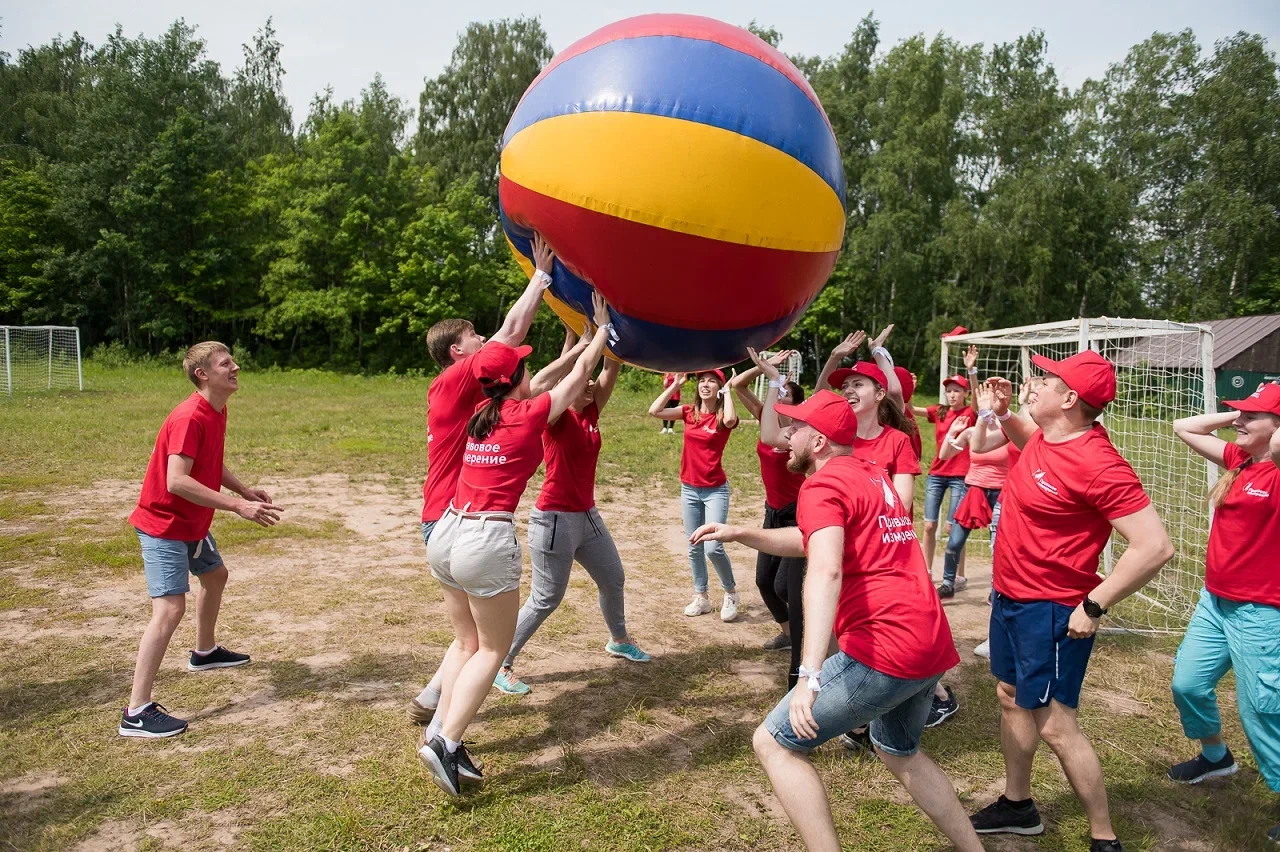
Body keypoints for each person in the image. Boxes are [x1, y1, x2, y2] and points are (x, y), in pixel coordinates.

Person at [689, 390, 983, 852]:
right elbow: (816, 540)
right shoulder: (869, 473)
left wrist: (808, 676)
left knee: (774, 744)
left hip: (885, 650)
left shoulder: (821, 486)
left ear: (820, 441)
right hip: (930, 643)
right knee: (897, 750)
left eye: (796, 427)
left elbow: (825, 569)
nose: (786, 435)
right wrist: (743, 533)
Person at [967, 352, 1174, 852]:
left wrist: (1095, 605)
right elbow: (1034, 453)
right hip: (1011, 598)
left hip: (1053, 610)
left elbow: (1155, 546)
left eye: (1045, 379)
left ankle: (1104, 837)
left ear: (1070, 399)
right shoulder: (1047, 436)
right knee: (1010, 696)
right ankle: (1019, 806)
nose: (1032, 384)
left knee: (1057, 725)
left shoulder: (1099, 463)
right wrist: (998, 411)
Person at [418, 294, 613, 797]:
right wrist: (601, 331)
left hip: (446, 535)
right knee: (491, 648)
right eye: (525, 368)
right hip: (484, 538)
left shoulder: (479, 409)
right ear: (516, 381)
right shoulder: (528, 416)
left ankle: (437, 732)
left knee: (466, 643)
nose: (531, 373)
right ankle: (447, 742)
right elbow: (574, 380)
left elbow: (548, 381)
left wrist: (579, 343)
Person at [407, 233, 564, 724]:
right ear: (458, 350)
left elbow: (528, 388)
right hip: (455, 522)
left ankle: (432, 701)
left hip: (446, 519)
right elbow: (513, 331)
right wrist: (540, 276)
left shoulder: (476, 393)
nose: (485, 339)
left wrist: (576, 350)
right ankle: (444, 725)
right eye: (476, 336)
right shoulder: (457, 379)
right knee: (480, 642)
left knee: (467, 638)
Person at [120, 342, 282, 738]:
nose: (236, 367)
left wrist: (244, 490)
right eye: (226, 364)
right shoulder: (190, 416)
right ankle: (136, 712)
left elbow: (209, 460)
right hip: (164, 526)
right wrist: (235, 506)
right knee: (169, 609)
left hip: (191, 525)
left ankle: (204, 653)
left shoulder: (216, 410)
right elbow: (177, 480)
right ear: (202, 375)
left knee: (215, 576)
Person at [492, 334, 650, 696]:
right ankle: (501, 661)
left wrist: (616, 334)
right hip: (554, 520)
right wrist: (578, 348)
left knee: (613, 578)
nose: (591, 386)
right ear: (570, 387)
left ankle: (619, 639)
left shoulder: (590, 411)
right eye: (584, 382)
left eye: (592, 384)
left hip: (587, 517)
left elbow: (610, 368)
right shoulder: (555, 418)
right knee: (546, 598)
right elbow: (561, 378)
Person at [1168, 382, 1280, 844]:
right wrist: (1237, 417)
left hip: (1263, 611)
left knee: (1261, 709)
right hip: (1215, 601)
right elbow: (1183, 426)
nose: (1239, 421)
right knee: (1188, 684)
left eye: (1251, 416)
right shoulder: (1240, 461)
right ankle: (1216, 757)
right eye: (1240, 414)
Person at [729, 351, 808, 671]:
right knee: (764, 582)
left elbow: (772, 436)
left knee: (785, 587)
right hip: (771, 512)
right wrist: (765, 368)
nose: (780, 391)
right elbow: (737, 385)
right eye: (779, 387)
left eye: (786, 390)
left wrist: (775, 378)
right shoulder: (766, 414)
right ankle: (789, 633)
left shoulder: (799, 431)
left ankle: (813, 633)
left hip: (795, 515)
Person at [649, 367, 741, 621]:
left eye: (712, 381)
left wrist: (728, 391)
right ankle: (701, 597)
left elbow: (732, 419)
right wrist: (675, 385)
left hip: (715, 491)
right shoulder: (689, 412)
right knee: (694, 546)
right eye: (702, 380)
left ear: (719, 388)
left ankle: (730, 593)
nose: (706, 384)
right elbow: (654, 411)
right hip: (689, 488)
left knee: (713, 547)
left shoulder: (722, 417)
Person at [935, 380, 1021, 599]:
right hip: (973, 490)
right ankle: (948, 582)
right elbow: (945, 456)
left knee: (999, 546)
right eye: (985, 403)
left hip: (1000, 493)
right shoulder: (973, 431)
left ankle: (997, 589)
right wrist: (952, 433)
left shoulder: (1007, 431)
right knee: (954, 541)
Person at [911, 345, 979, 582]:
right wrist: (909, 390)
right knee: (929, 526)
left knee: (953, 528)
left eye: (957, 391)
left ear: (965, 393)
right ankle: (927, 571)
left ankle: (957, 575)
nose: (952, 394)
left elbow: (979, 404)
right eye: (949, 390)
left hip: (961, 476)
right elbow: (909, 409)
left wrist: (971, 370)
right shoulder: (939, 412)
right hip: (937, 475)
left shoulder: (971, 413)